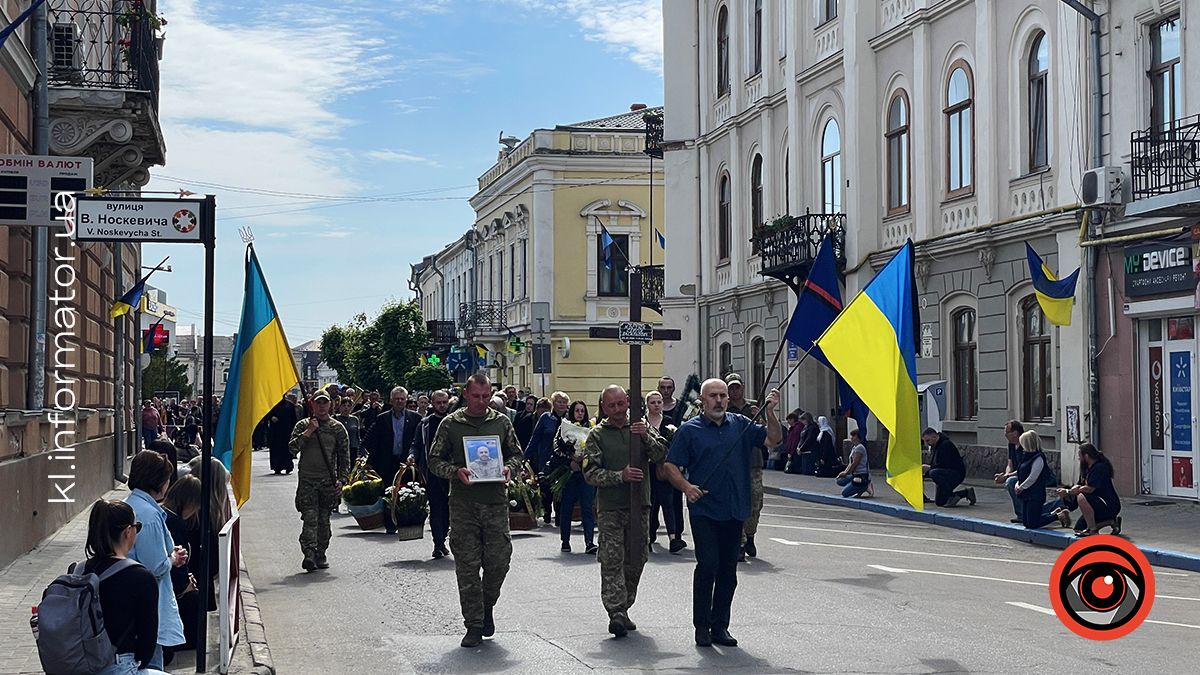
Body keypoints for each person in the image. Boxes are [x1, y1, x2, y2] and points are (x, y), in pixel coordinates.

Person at [663, 379, 782, 647]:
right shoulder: (689, 431)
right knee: (708, 566)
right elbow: (670, 465)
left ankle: (720, 626)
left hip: (735, 508)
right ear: (702, 401)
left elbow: (773, 439)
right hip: (704, 509)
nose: (719, 400)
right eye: (713, 396)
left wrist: (771, 412)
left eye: (723, 396)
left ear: (728, 399)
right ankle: (702, 626)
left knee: (729, 570)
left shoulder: (741, 425)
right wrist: (686, 487)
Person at [428, 372, 525, 648]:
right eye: (476, 396)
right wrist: (455, 471)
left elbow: (516, 454)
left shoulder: (501, 422)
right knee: (467, 567)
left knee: (499, 562)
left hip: (495, 502)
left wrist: (510, 468)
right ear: (466, 395)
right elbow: (434, 460)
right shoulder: (451, 424)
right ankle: (473, 624)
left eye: (486, 396)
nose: (482, 402)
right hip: (463, 504)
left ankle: (486, 606)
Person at [582, 385, 667, 637]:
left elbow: (662, 453)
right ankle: (616, 611)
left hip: (640, 505)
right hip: (611, 508)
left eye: (621, 404)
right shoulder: (597, 435)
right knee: (611, 560)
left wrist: (645, 437)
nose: (618, 410)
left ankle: (625, 605)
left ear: (628, 402)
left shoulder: (641, 427)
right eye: (612, 406)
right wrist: (620, 476)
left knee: (637, 558)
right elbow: (590, 472)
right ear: (604, 407)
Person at [80, 499, 170, 675]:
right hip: (118, 665)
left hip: (79, 664)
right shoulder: (141, 577)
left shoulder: (79, 570)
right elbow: (147, 646)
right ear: (128, 531)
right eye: (138, 526)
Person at [124, 451, 187, 669]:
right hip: (149, 603)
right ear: (159, 481)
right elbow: (155, 565)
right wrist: (172, 558)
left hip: (134, 601)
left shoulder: (133, 505)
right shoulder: (148, 516)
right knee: (150, 664)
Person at [288, 391, 351, 571]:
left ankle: (320, 552)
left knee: (324, 521)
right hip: (307, 480)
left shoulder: (337, 428)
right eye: (318, 403)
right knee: (310, 518)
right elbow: (292, 449)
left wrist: (342, 480)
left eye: (325, 403)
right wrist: (309, 432)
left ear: (330, 405)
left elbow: (344, 457)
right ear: (312, 405)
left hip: (327, 482)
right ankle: (309, 553)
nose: (322, 407)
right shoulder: (303, 425)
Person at [364, 386, 422, 531]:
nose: (400, 401)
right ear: (391, 400)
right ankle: (390, 524)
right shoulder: (382, 418)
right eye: (397, 399)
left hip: (407, 463)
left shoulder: (415, 418)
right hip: (387, 462)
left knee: (407, 493)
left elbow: (418, 443)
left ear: (406, 400)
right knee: (389, 493)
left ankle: (405, 522)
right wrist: (370, 463)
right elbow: (375, 442)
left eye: (402, 399)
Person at [408, 389, 453, 558]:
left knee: (450, 510)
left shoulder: (454, 422)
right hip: (432, 473)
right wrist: (412, 456)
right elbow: (416, 444)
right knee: (436, 508)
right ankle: (438, 543)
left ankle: (445, 536)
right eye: (438, 402)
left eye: (444, 402)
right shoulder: (425, 424)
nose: (442, 405)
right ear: (432, 404)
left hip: (453, 473)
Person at [161, 476, 203, 651]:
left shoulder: (165, 513)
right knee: (194, 598)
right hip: (168, 582)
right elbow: (177, 558)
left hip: (169, 576)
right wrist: (184, 586)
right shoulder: (176, 523)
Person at [550, 400, 597, 554]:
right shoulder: (563, 427)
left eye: (582, 411)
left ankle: (589, 541)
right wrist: (570, 459)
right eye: (577, 410)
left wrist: (584, 459)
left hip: (584, 474)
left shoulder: (590, 429)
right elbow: (557, 448)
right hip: (569, 473)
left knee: (587, 508)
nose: (580, 414)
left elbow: (595, 448)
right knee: (567, 507)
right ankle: (565, 540)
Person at [646, 391, 686, 553]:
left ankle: (673, 538)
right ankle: (647, 537)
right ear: (647, 405)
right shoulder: (643, 423)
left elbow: (674, 444)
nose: (656, 405)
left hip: (663, 467)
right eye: (653, 402)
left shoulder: (669, 423)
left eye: (659, 402)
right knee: (649, 503)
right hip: (648, 468)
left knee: (667, 502)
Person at [526, 391, 569, 526]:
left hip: (563, 459)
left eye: (564, 402)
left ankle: (560, 514)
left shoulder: (569, 419)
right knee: (545, 486)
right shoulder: (546, 417)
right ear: (553, 403)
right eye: (559, 402)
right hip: (545, 457)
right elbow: (535, 438)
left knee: (561, 487)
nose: (561, 405)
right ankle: (547, 511)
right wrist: (525, 456)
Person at [1063, 443, 1122, 536]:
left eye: (1080, 456)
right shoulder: (1085, 469)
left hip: (1108, 504)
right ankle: (1111, 522)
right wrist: (1068, 492)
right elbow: (1079, 484)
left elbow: (1089, 489)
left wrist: (1073, 491)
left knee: (1081, 496)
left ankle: (1093, 530)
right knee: (1078, 528)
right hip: (1095, 504)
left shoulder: (1100, 468)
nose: (1079, 458)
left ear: (1086, 456)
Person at [1010, 430, 1057, 529]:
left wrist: (1021, 488)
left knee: (1032, 523)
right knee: (1026, 522)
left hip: (1035, 494)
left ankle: (1057, 516)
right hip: (1026, 494)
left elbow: (1033, 477)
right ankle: (1054, 513)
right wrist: (1017, 484)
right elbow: (1020, 474)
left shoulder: (1038, 458)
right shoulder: (1025, 456)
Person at [921, 428, 976, 507]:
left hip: (955, 473)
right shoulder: (935, 447)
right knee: (940, 502)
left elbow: (944, 464)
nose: (927, 444)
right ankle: (966, 493)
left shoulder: (946, 445)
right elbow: (936, 464)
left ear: (934, 437)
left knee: (933, 473)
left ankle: (952, 496)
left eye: (928, 440)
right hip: (945, 473)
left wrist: (929, 468)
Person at [994, 420, 1025, 523]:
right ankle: (1022, 512)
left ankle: (1021, 514)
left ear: (1015, 433)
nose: (1005, 435)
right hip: (1018, 474)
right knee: (1010, 480)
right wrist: (1005, 474)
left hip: (1028, 475)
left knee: (1011, 482)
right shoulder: (1011, 445)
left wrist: (1007, 477)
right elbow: (1010, 464)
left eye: (1007, 432)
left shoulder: (1025, 444)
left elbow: (1024, 468)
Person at [267, 394, 300, 474]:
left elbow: (294, 419)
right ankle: (277, 467)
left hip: (287, 431)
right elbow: (267, 415)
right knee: (276, 450)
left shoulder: (290, 405)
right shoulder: (272, 405)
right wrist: (271, 417)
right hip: (275, 431)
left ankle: (288, 466)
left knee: (287, 450)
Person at [836, 428, 873, 498]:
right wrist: (844, 472)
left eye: (853, 436)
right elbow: (850, 463)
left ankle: (864, 486)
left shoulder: (860, 448)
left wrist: (846, 473)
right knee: (840, 480)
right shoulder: (854, 448)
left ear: (858, 437)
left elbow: (855, 463)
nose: (851, 438)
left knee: (845, 493)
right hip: (855, 474)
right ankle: (857, 486)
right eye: (851, 436)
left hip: (861, 475)